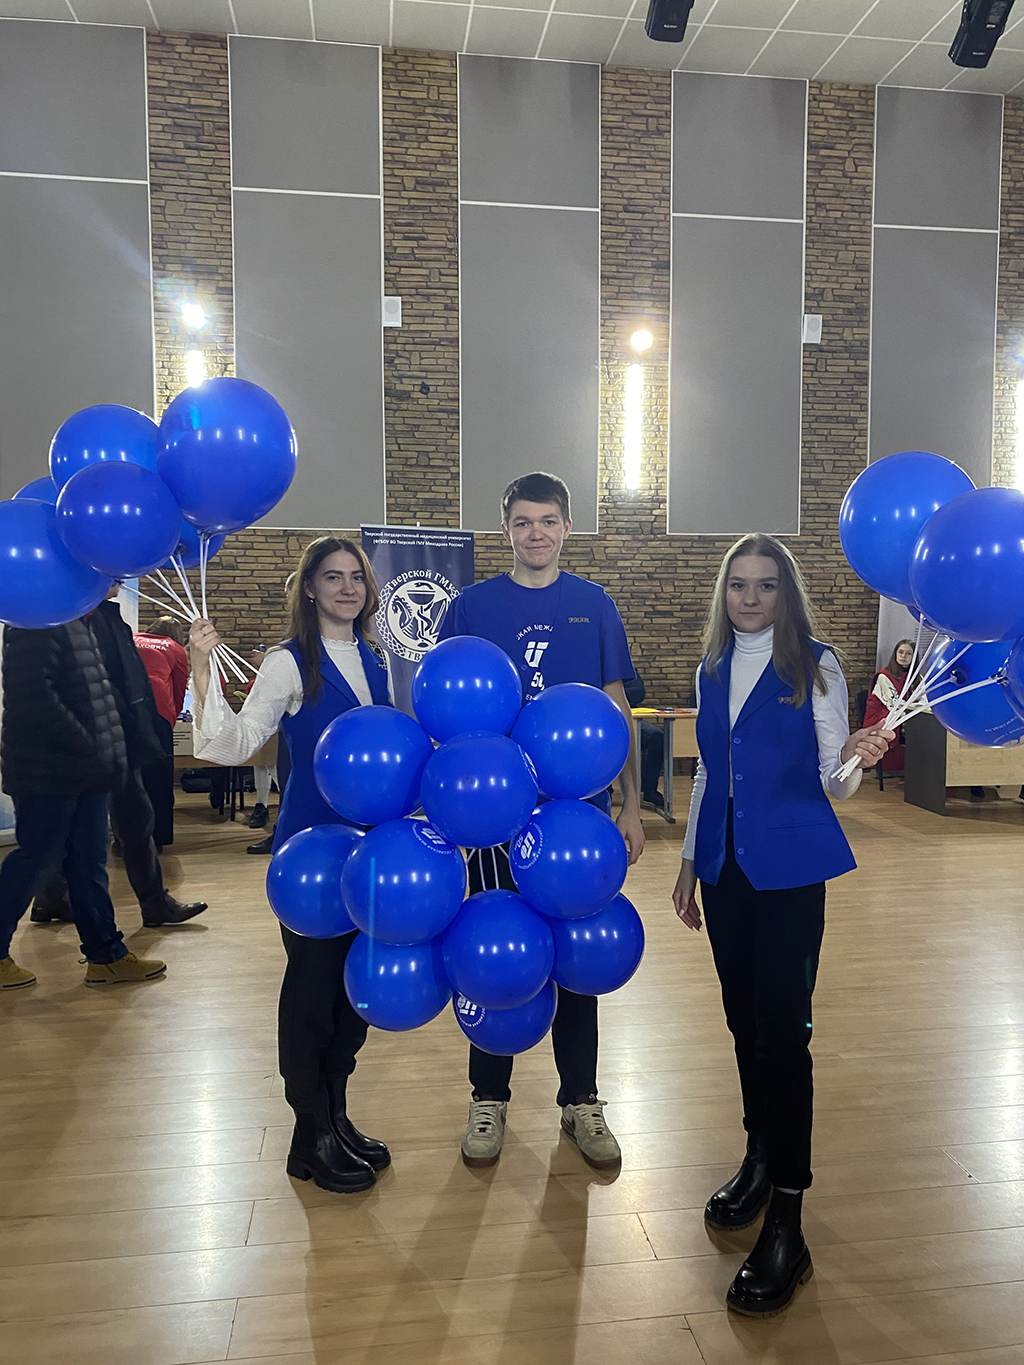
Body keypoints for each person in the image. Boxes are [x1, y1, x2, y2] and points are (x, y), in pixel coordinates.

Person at [671, 534, 892, 1317]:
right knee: (743, 1023)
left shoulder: (816, 664)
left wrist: (857, 755)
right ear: (724, 592)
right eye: (739, 584)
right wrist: (690, 862)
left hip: (791, 873)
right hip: (726, 871)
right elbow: (708, 770)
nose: (751, 597)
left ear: (785, 593)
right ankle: (759, 1155)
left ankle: (789, 1219)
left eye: (766, 585)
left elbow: (836, 781)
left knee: (784, 1037)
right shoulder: (712, 664)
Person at [436, 471, 645, 1171]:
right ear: (505, 530)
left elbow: (617, 713)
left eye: (548, 520)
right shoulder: (470, 607)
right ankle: (487, 1097)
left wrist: (630, 804)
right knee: (492, 945)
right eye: (522, 521)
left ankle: (581, 1099)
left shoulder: (594, 604)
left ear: (566, 527)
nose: (536, 533)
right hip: (491, 816)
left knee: (577, 954)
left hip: (576, 818)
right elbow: (446, 719)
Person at [188, 537, 392, 1195]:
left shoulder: (377, 658)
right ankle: (309, 1134)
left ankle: (335, 1115)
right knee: (311, 993)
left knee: (352, 994)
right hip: (311, 856)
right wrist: (200, 666)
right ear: (308, 588)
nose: (346, 588)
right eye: (332, 577)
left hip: (369, 851)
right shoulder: (288, 662)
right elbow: (234, 742)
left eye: (355, 577)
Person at [0, 616, 167, 989]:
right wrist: (90, 747)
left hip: (87, 771)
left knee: (88, 864)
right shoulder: (37, 618)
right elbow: (34, 700)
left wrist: (106, 756)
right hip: (49, 771)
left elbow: (94, 697)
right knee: (35, 859)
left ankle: (106, 956)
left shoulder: (80, 621)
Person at [32, 590, 207, 929]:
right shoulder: (78, 618)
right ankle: (150, 905)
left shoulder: (99, 617)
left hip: (112, 738)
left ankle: (52, 899)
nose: (122, 577)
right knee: (125, 821)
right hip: (104, 739)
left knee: (126, 819)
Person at [134, 615, 189, 849]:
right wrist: (170, 720)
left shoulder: (130, 638)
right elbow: (179, 688)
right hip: (158, 712)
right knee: (160, 779)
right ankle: (158, 837)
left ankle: (127, 839)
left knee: (130, 778)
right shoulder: (175, 648)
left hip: (126, 711)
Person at [865, 637, 913, 772]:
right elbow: (894, 704)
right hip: (881, 719)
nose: (903, 656)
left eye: (908, 653)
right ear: (895, 654)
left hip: (901, 716)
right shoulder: (883, 676)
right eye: (901, 652)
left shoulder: (915, 677)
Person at [623, 673, 665, 809]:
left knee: (656, 736)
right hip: (604, 717)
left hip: (632, 716)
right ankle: (606, 790)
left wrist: (614, 693)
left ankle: (650, 790)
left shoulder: (630, 671)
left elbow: (639, 693)